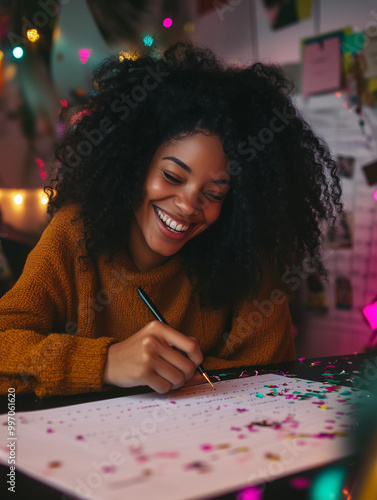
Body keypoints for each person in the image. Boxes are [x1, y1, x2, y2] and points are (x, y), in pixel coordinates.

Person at [0, 42, 342, 398]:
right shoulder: (73, 235)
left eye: (214, 194)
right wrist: (107, 362)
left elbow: (269, 379)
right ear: (134, 164)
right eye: (173, 177)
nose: (187, 205)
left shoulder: (246, 261)